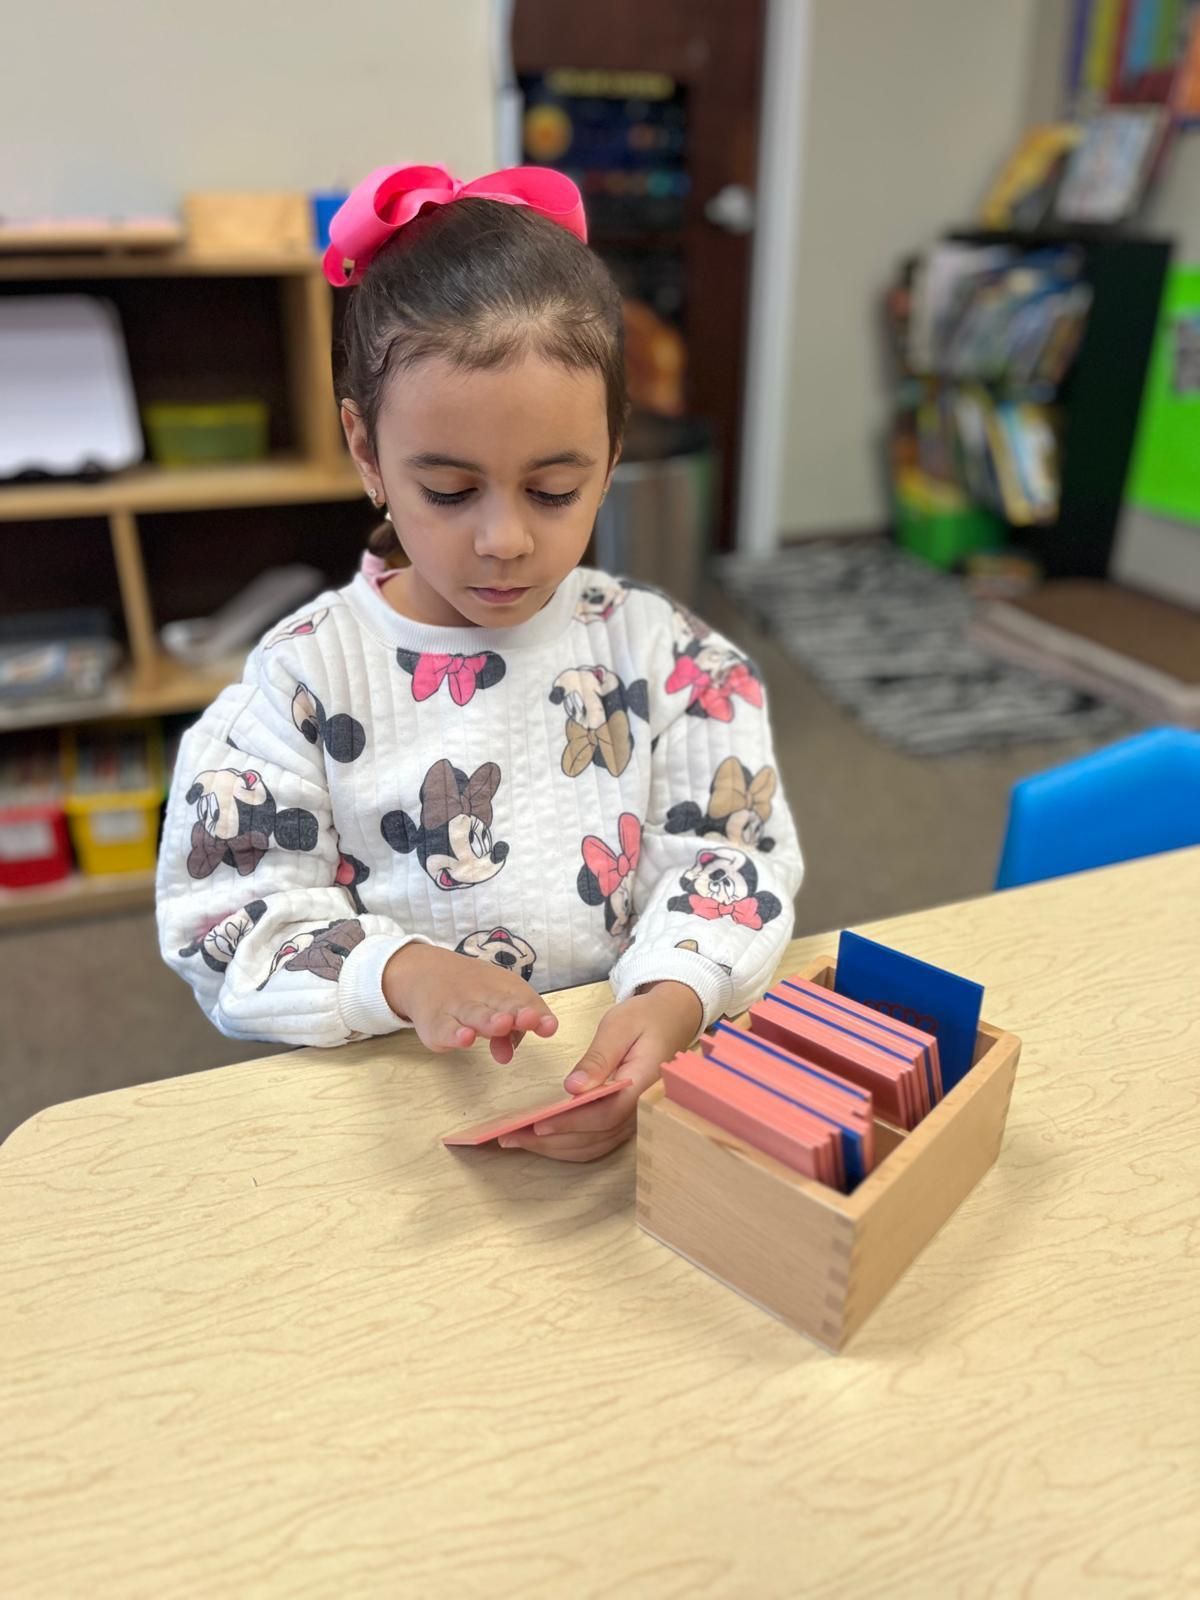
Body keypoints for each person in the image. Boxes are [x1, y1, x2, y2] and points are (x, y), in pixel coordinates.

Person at [157, 163, 803, 1162]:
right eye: (451, 491)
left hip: (621, 1084)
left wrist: (675, 996)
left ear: (612, 449)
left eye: (553, 491)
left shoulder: (672, 659)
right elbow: (227, 911)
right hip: (395, 1118)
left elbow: (729, 854)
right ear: (366, 447)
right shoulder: (301, 681)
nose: (503, 539)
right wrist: (405, 972)